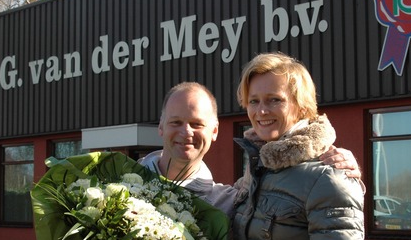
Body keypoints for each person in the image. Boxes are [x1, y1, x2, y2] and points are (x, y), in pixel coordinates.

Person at [218, 53, 366, 240]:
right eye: (254, 100)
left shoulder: (328, 176)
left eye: (274, 100)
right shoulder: (257, 174)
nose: (261, 111)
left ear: (300, 106)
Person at [139, 81, 363, 215]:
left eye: (197, 124)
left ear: (215, 131)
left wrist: (343, 173)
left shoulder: (229, 202)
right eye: (176, 122)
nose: (186, 132)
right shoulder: (116, 181)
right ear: (160, 126)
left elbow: (291, 198)